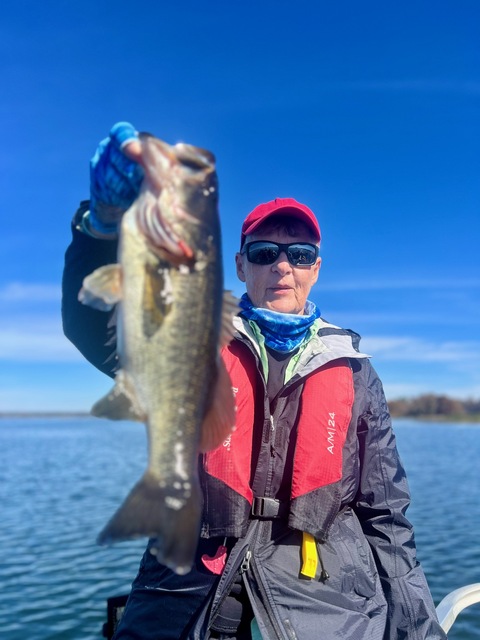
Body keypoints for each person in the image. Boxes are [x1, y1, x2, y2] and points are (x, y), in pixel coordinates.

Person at [62, 123, 447, 640]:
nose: (282, 266)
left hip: (326, 603)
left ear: (316, 270)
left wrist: (417, 629)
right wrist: (102, 225)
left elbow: (386, 516)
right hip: (188, 590)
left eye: (300, 254)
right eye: (265, 253)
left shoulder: (357, 372)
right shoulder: (197, 333)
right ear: (240, 265)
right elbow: (97, 330)